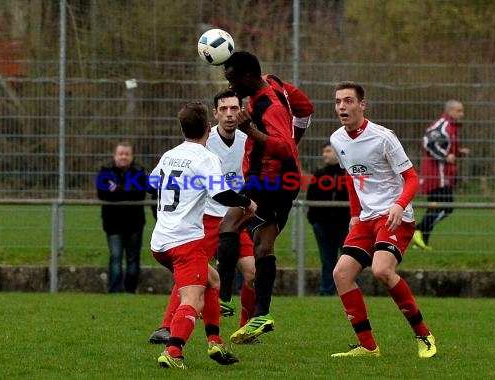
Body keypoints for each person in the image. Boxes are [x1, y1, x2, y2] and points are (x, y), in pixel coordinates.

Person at [329, 81, 437, 358]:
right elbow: (352, 179)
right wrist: (354, 215)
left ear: (362, 105)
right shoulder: (337, 139)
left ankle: (423, 335)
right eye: (339, 101)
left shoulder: (383, 137)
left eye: (349, 101)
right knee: (341, 274)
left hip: (394, 216)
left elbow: (412, 178)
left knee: (381, 271)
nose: (342, 106)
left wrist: (400, 205)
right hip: (366, 218)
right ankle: (367, 346)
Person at [149, 101, 257, 369]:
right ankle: (173, 352)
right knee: (192, 299)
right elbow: (220, 193)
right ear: (208, 128)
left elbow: (153, 185)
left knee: (213, 279)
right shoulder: (205, 157)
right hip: (185, 242)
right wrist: (245, 202)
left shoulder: (169, 154)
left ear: (182, 128)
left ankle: (215, 341)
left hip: (160, 242)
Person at [216, 51, 313, 344]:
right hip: (285, 180)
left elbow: (283, 148)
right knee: (263, 244)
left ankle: (222, 298)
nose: (231, 88)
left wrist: (250, 131)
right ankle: (262, 313)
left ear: (247, 78)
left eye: (233, 81)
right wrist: (295, 139)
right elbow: (305, 107)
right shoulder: (275, 82)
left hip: (269, 179)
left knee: (228, 225)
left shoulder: (267, 106)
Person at [412, 100, 470, 250]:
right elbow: (428, 142)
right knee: (445, 207)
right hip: (437, 175)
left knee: (435, 207)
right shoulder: (442, 125)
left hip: (445, 174)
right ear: (450, 111)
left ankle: (421, 244)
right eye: (459, 111)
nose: (462, 114)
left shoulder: (452, 127)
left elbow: (445, 146)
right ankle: (418, 230)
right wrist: (445, 156)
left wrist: (458, 152)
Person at [96, 142, 149, 293]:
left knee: (133, 260)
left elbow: (139, 194)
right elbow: (103, 194)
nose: (123, 157)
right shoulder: (105, 171)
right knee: (116, 257)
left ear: (132, 156)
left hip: (134, 223)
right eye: (121, 154)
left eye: (127, 154)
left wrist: (117, 189)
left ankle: (130, 291)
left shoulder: (139, 171)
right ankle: (114, 291)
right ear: (115, 156)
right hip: (113, 223)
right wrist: (127, 191)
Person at [306, 141, 350, 296]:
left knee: (349, 260)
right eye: (324, 151)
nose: (325, 154)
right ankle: (326, 291)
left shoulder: (348, 175)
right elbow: (310, 198)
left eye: (328, 151)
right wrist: (315, 220)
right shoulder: (319, 175)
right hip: (323, 225)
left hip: (345, 225)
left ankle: (349, 290)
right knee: (327, 260)